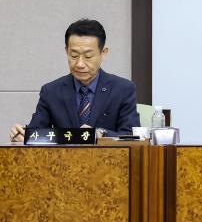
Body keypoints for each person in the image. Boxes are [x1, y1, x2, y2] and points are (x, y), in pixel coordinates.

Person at [9, 19, 140, 142]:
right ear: (67, 51)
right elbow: (37, 133)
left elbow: (132, 136)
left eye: (88, 56)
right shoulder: (51, 91)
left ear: (103, 53)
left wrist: (101, 134)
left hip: (109, 158)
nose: (80, 64)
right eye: (74, 55)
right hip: (63, 159)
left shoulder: (123, 89)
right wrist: (22, 135)